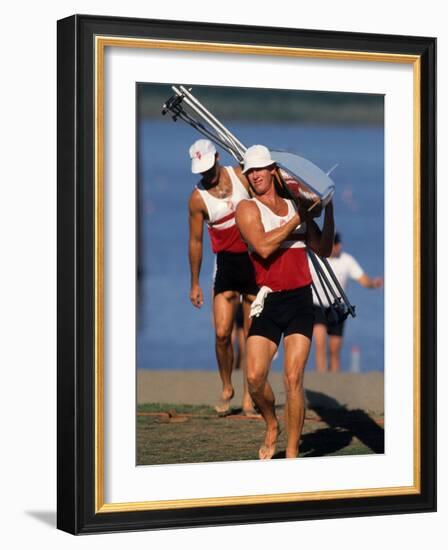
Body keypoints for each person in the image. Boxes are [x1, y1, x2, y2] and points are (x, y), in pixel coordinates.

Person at [235, 144, 334, 459]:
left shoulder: (296, 204)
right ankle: (271, 423)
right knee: (254, 377)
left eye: (260, 169)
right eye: (250, 171)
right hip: (268, 302)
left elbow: (323, 248)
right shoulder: (247, 209)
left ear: (272, 170)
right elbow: (263, 248)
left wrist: (328, 209)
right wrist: (298, 219)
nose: (255, 176)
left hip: (301, 300)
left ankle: (291, 455)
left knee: (293, 378)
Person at [188, 139, 258, 415]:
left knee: (252, 335)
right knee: (221, 334)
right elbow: (195, 241)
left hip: (253, 263)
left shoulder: (241, 175)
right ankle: (227, 385)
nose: (207, 174)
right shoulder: (197, 198)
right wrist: (194, 283)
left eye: (209, 167)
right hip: (226, 265)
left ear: (217, 156)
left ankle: (250, 395)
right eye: (201, 171)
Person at [310, 232, 383, 373]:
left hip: (338, 308)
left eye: (339, 244)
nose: (338, 247)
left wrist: (373, 283)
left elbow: (362, 279)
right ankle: (321, 378)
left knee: (334, 349)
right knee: (319, 344)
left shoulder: (347, 260)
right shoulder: (315, 259)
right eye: (335, 245)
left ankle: (335, 380)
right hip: (317, 305)